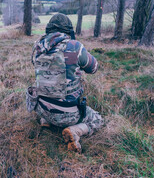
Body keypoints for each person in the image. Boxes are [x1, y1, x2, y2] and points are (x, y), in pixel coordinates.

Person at [27, 13, 103, 153]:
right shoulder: (74, 46)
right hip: (69, 115)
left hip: (41, 109)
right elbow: (93, 68)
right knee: (97, 119)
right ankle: (75, 131)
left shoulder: (37, 47)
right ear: (68, 31)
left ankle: (46, 121)